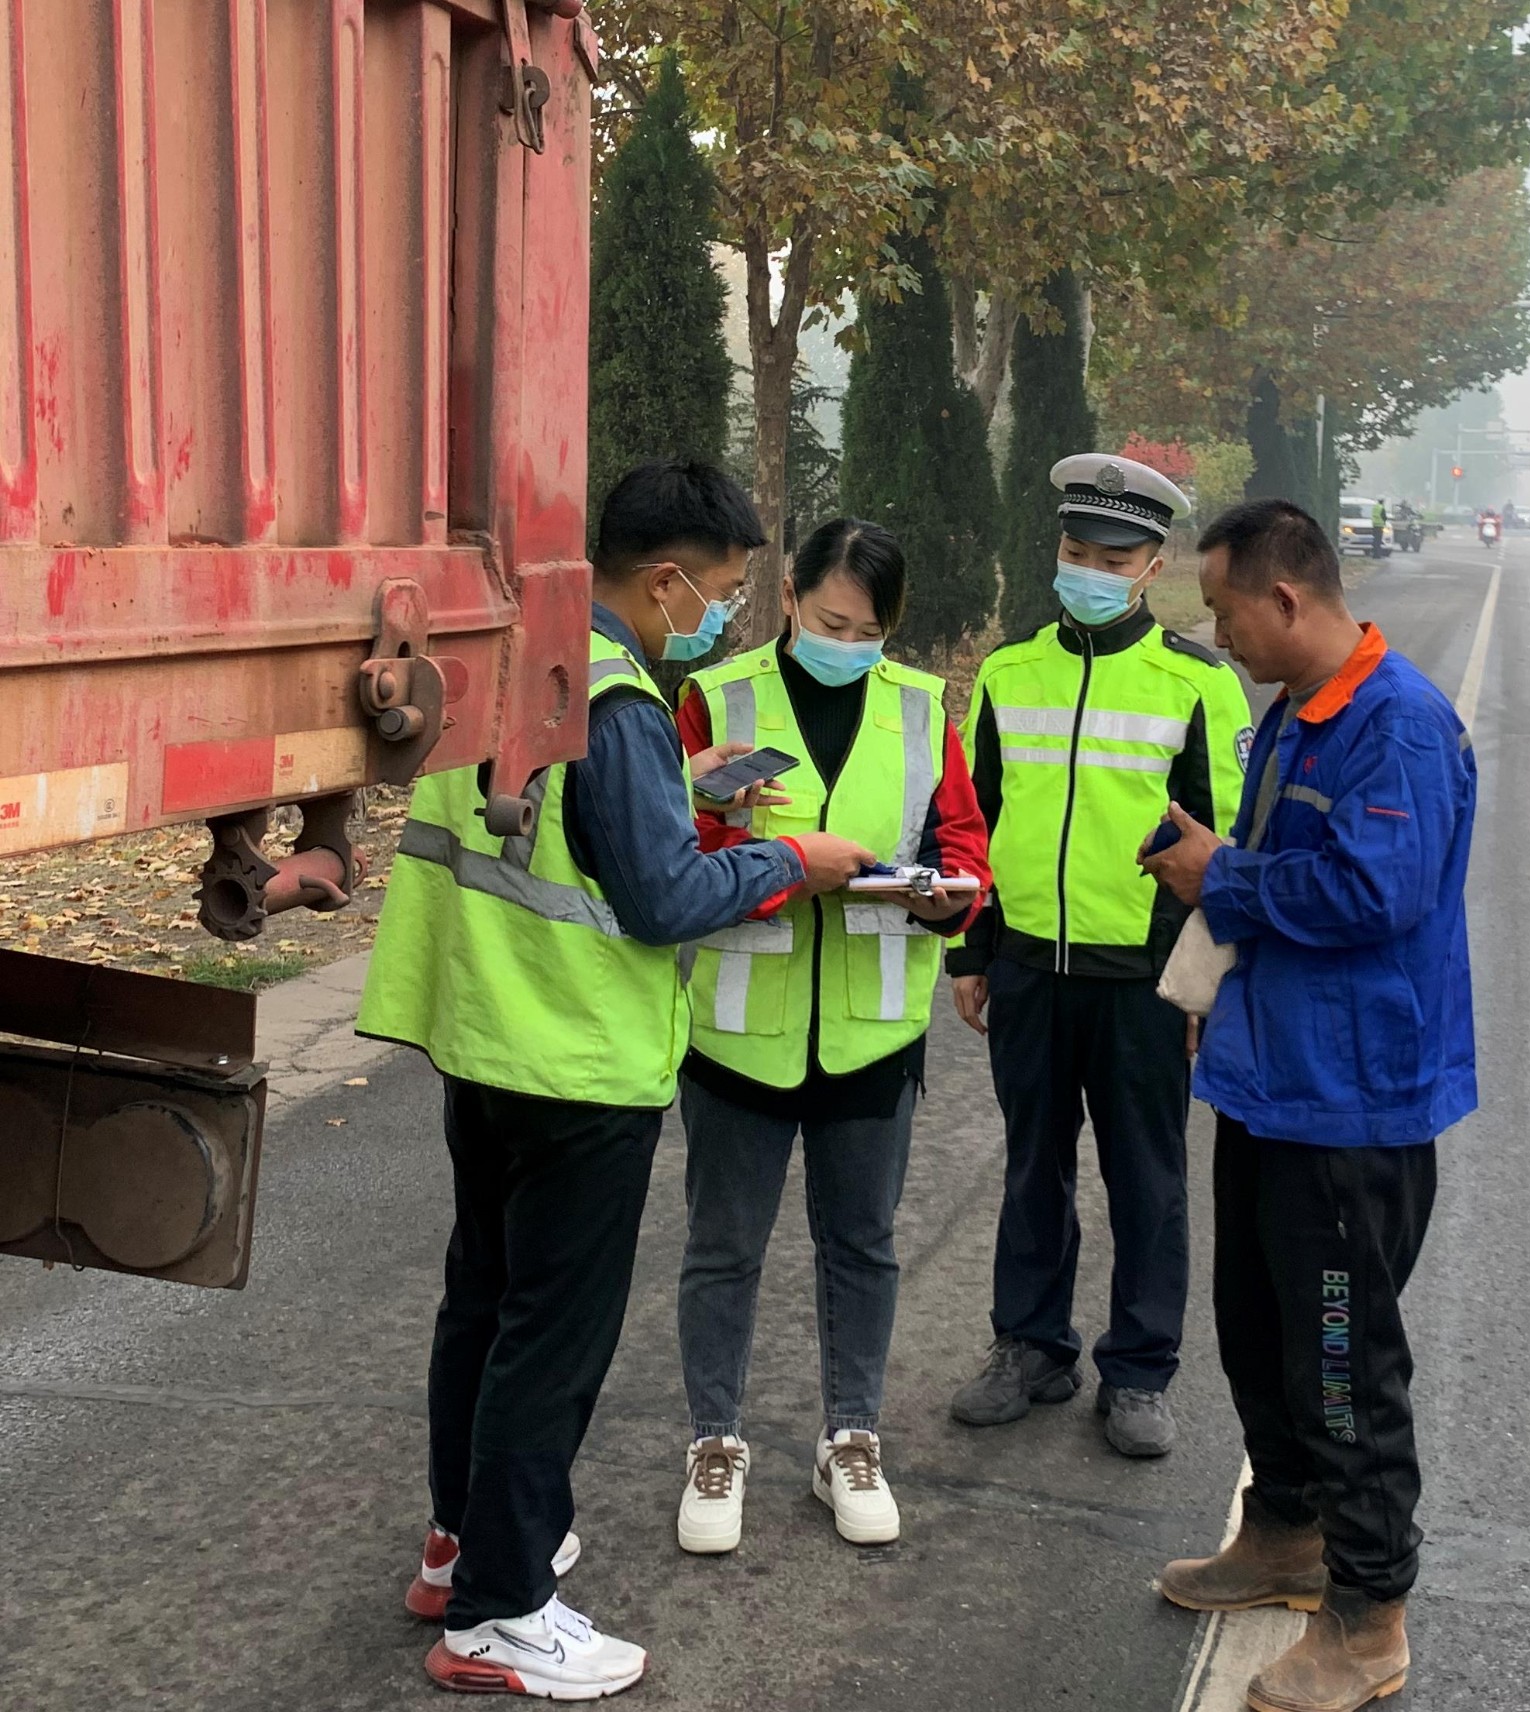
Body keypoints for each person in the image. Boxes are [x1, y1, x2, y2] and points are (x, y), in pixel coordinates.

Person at [357, 458, 872, 1700]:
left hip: (484, 1039)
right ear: (666, 579)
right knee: (551, 1339)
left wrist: (679, 788)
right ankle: (500, 1610)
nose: (722, 618)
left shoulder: (513, 659)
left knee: (483, 1306)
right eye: (722, 594)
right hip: (580, 1062)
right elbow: (662, 897)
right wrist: (794, 860)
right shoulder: (624, 698)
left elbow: (559, 828)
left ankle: (457, 1543)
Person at [1141, 499, 1476, 1712]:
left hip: (1352, 1104)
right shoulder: (1296, 710)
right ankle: (1284, 1530)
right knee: (1257, 1328)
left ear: (1285, 599)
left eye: (1224, 609)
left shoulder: (1399, 724)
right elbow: (1286, 874)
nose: (1217, 631)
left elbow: (1376, 894)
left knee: (1342, 1363)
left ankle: (1369, 1611)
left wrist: (1217, 875)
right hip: (1268, 1081)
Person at [670, 519, 991, 1554]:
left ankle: (851, 1436)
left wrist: (949, 899)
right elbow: (671, 850)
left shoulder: (920, 706)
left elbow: (961, 841)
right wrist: (775, 865)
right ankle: (714, 1441)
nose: (846, 641)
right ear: (790, 597)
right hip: (738, 1029)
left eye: (868, 629)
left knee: (862, 1244)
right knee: (723, 1248)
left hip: (871, 1030)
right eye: (829, 619)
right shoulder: (716, 698)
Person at [946, 453, 1252, 1458]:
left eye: (1113, 559)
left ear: (1152, 566)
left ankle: (1140, 1370)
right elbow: (976, 821)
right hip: (1031, 965)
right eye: (1077, 551)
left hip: (1144, 982)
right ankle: (1031, 1346)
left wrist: (1201, 985)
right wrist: (972, 953)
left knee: (1147, 1178)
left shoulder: (1198, 683)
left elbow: (1224, 849)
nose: (1090, 571)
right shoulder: (1008, 672)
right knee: (1031, 1166)